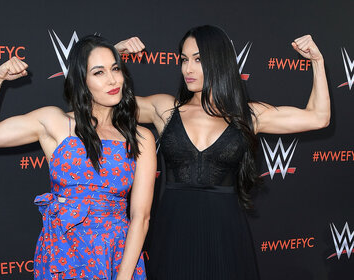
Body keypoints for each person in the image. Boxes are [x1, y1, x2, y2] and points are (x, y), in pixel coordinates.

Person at [116, 25, 330, 279]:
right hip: (173, 231)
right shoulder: (164, 108)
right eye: (184, 60)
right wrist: (115, 55)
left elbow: (319, 118)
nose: (188, 69)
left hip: (225, 233)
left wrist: (318, 61)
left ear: (219, 61)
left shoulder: (248, 114)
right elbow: (104, 102)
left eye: (198, 59)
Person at [0, 35, 156, 280]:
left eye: (116, 69)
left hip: (116, 257)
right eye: (98, 73)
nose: (113, 80)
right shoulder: (57, 123)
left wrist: (122, 277)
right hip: (62, 256)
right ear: (81, 81)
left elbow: (140, 218)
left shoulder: (140, 137)